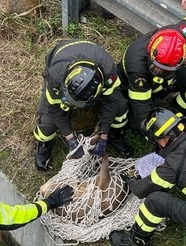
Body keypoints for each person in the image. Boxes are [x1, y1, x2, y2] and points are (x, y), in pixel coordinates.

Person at [109, 108, 186, 246]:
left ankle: (136, 243)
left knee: (155, 201)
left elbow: (140, 190)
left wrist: (130, 180)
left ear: (163, 140)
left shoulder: (172, 166)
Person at [116, 3, 186, 131]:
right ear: (151, 52)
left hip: (166, 80)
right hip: (136, 88)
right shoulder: (136, 65)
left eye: (165, 70)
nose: (159, 72)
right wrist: (164, 132)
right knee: (137, 125)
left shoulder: (181, 33)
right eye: (156, 68)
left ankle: (177, 112)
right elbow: (142, 110)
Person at [33, 39, 131, 171]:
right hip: (63, 54)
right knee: (48, 122)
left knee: (120, 106)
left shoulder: (108, 72)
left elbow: (110, 103)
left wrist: (104, 135)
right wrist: (70, 138)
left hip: (92, 54)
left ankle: (115, 135)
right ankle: (43, 144)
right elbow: (54, 109)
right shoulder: (55, 74)